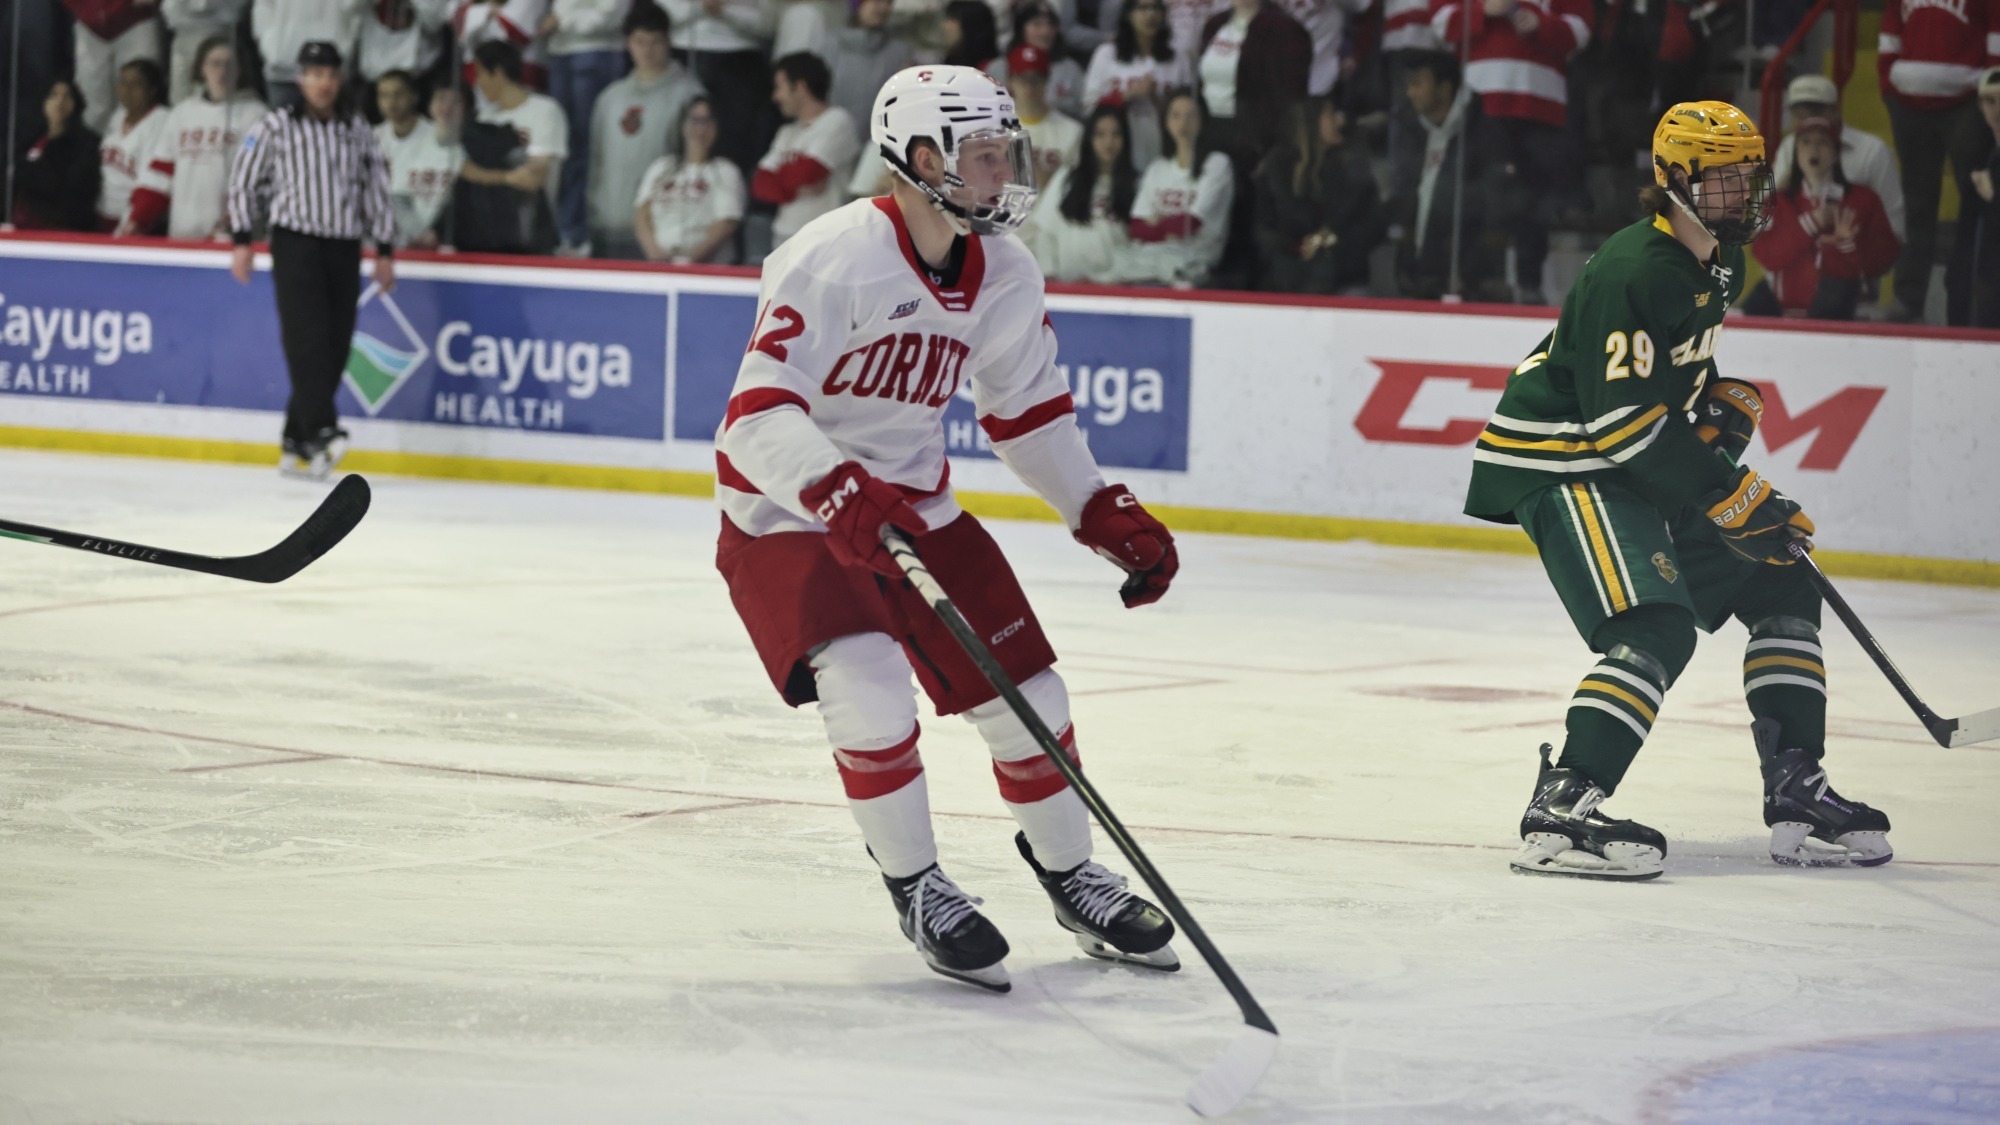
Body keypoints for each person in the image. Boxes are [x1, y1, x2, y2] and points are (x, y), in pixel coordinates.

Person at [713, 64, 1181, 990]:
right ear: (920, 156)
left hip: (914, 504)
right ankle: (919, 886)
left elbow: (1027, 412)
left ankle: (1070, 873)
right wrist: (837, 491)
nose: (1002, 171)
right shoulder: (831, 254)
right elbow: (755, 415)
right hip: (787, 512)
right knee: (872, 688)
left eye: (1006, 151)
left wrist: (1095, 505)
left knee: (1030, 699)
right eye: (983, 154)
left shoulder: (1003, 268)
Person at [1463, 102, 1891, 880]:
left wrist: (1714, 411)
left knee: (1782, 574)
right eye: (1723, 177)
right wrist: (1730, 490)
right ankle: (1562, 802)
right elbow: (1622, 422)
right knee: (1656, 627)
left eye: (1748, 175)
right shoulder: (1633, 269)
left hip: (1626, 455)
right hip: (1567, 460)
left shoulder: (1715, 263)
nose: (1744, 191)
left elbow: (1660, 391)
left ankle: (1795, 779)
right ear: (1673, 180)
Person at [227, 40, 398, 480]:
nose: (323, 83)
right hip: (296, 241)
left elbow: (375, 187)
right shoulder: (275, 125)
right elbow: (244, 180)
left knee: (337, 342)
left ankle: (295, 435)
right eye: (315, 74)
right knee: (308, 337)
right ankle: (322, 428)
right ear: (301, 79)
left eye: (330, 75)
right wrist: (243, 238)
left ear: (339, 80)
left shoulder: (356, 129)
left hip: (343, 244)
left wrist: (384, 249)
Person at [1428, 0, 1591, 303]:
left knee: (1535, 200)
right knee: (1481, 196)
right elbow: (1440, 22)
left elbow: (1581, 31)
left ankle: (1529, 282)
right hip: (1480, 104)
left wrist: (1541, 23)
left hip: (1541, 105)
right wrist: (1483, 11)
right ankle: (1478, 281)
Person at [1877, 0, 1999, 324]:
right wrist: (1889, 85)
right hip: (1909, 101)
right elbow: (1890, 34)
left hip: (1967, 100)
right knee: (1917, 203)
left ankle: (1979, 296)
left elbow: (1996, 32)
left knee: (1978, 199)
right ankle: (1908, 299)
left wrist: (1988, 89)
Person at [1745, 115, 1899, 320]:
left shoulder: (1864, 199)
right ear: (1796, 153)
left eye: (1822, 142)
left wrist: (1850, 246)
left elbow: (1885, 258)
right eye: (1806, 143)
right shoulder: (1777, 202)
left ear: (1836, 154)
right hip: (1787, 315)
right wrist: (1810, 223)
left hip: (1849, 317)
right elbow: (1766, 255)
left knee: (1834, 294)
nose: (1813, 149)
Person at [586, 3, 706, 257]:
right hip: (608, 223)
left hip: (659, 233)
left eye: (655, 42)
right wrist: (594, 213)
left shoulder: (688, 94)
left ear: (668, 42)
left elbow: (694, 163)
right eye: (640, 41)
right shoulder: (610, 97)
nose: (647, 50)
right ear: (628, 43)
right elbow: (596, 160)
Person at [123, 36, 269, 240]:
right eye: (215, 64)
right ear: (202, 68)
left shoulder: (256, 116)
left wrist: (232, 222)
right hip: (182, 233)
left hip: (230, 239)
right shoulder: (182, 113)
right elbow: (160, 172)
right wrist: (138, 219)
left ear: (240, 69)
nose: (222, 71)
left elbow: (257, 178)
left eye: (230, 64)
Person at [1393, 48, 1504, 300]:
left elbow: (1493, 211)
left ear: (1444, 88)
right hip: (1421, 282)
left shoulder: (1482, 136)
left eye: (1418, 84)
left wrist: (1467, 271)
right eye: (1408, 85)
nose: (1410, 93)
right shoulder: (1414, 133)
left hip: (1463, 287)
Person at [1252, 96, 1381, 293]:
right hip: (1286, 278)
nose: (1339, 121)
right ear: (1311, 123)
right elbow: (1266, 226)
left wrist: (1328, 240)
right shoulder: (1278, 166)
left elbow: (1367, 224)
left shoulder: (1349, 166)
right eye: (1330, 114)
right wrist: (1295, 246)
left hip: (1343, 278)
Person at [545, 0, 640, 253]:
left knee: (588, 147)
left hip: (599, 51)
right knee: (564, 149)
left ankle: (582, 233)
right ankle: (564, 229)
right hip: (559, 52)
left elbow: (608, 14)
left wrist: (562, 19)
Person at [457, 38, 571, 245]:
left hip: (532, 231)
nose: (477, 83)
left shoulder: (545, 111)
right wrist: (507, 177)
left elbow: (534, 175)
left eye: (480, 74)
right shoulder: (483, 118)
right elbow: (465, 170)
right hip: (485, 232)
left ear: (498, 73)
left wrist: (486, 176)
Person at [1769, 74, 1904, 243]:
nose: (1808, 121)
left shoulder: (1873, 151)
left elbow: (1894, 225)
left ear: (1836, 110)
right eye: (1800, 114)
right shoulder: (1789, 146)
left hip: (1855, 256)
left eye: (1816, 112)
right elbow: (1766, 217)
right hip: (1796, 258)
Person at [1120, 87, 1232, 284]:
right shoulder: (1158, 168)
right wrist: (1167, 230)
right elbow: (1137, 227)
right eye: (1176, 116)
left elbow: (1191, 223)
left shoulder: (1217, 163)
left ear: (1202, 121)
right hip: (1151, 257)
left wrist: (1157, 224)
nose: (1183, 123)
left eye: (1191, 116)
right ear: (1166, 122)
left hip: (1194, 259)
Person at [751, 52, 861, 250]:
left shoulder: (837, 120)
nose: (775, 96)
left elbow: (809, 171)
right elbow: (760, 183)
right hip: (783, 237)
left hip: (826, 239)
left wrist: (782, 179)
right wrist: (793, 188)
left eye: (779, 87)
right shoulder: (787, 132)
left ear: (800, 88)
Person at [659, 0, 778, 178]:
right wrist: (701, 7)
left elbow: (769, 22)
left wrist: (726, 10)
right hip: (683, 50)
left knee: (737, 147)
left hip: (740, 57)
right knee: (673, 138)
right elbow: (659, 13)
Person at [1022, 102, 1138, 280]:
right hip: (1067, 288)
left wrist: (1106, 280)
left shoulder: (1136, 185)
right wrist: (1049, 273)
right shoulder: (1067, 178)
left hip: (1115, 288)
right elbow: (1045, 231)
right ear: (1089, 138)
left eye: (1116, 134)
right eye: (1100, 134)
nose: (1108, 142)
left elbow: (1137, 246)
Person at [1195, 0, 1310, 169]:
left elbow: (1291, 94)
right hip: (1210, 125)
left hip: (1255, 134)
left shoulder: (1285, 28)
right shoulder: (1215, 24)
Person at [633, 95, 746, 260]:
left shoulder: (725, 171)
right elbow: (642, 213)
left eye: (707, 121)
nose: (700, 129)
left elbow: (725, 223)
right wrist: (654, 254)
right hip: (658, 265)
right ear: (683, 125)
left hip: (706, 269)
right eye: (694, 120)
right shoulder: (661, 167)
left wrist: (690, 261)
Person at [1081, 0, 1187, 168]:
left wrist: (1155, 98)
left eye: (1156, 8)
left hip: (1160, 147)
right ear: (1128, 14)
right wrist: (1127, 95)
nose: (1150, 14)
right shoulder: (1107, 54)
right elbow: (1089, 107)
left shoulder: (1177, 59)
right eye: (1142, 8)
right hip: (1117, 149)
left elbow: (1187, 112)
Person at [373, 70, 464, 247]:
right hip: (387, 241)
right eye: (384, 95)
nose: (391, 102)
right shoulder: (371, 139)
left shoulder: (438, 137)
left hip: (437, 240)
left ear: (414, 97)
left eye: (398, 94)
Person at [11, 80, 104, 232]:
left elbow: (74, 189)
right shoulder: (30, 139)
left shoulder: (87, 143)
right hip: (24, 226)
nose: (60, 101)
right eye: (53, 95)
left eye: (67, 96)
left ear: (76, 103)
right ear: (44, 102)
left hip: (61, 228)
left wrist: (31, 174)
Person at [61, 0, 163, 133]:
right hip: (89, 25)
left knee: (139, 94)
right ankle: (96, 150)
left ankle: (141, 149)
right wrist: (82, 7)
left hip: (135, 20)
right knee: (92, 103)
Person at [253, 0, 372, 109]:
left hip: (330, 68)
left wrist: (346, 47)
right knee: (279, 128)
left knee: (337, 129)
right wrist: (270, 48)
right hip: (283, 71)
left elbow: (355, 7)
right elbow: (263, 7)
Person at [96, 59, 170, 232]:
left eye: (136, 84)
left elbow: (151, 179)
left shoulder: (161, 120)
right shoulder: (117, 116)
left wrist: (131, 222)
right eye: (123, 83)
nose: (127, 90)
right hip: (101, 214)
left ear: (152, 89)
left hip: (132, 221)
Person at [825, 0, 915, 130]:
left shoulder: (899, 52)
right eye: (877, 1)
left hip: (879, 144)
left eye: (889, 3)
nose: (884, 8)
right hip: (835, 137)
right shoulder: (831, 46)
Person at [1006, 44, 1084, 186]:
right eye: (1022, 79)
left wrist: (1052, 182)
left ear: (1046, 81)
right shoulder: (992, 130)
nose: (1029, 88)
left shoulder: (1072, 131)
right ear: (1010, 82)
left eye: (1035, 80)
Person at [995, 1, 1085, 115]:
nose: (1045, 31)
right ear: (1021, 29)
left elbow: (1081, 109)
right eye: (1037, 25)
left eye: (1051, 25)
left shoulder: (1071, 69)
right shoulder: (999, 67)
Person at [161, 0, 251, 104]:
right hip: (182, 36)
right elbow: (169, 11)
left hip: (216, 33)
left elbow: (235, 11)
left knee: (209, 92)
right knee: (179, 95)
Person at [453, 0, 553, 92]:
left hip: (523, 79)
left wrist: (476, 15)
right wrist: (486, 12)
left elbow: (514, 32)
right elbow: (458, 21)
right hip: (475, 79)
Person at [1971, 67, 2000, 327]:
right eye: (1991, 101)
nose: (1997, 110)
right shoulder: (1987, 157)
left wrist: (1993, 197)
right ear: (1981, 106)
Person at [941, 0, 1001, 68]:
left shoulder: (993, 68)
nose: (944, 25)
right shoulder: (947, 63)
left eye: (952, 19)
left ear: (970, 25)